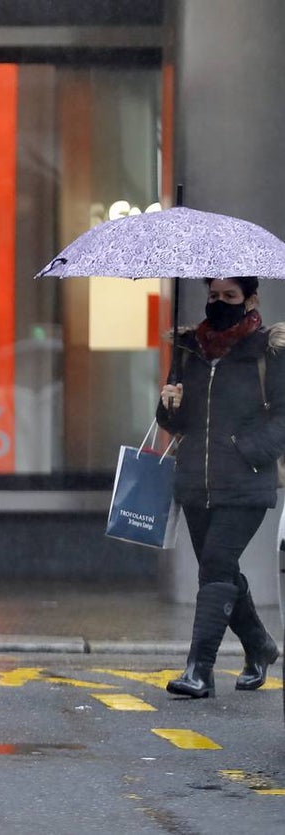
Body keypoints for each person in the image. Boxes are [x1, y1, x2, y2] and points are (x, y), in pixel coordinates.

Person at [156, 275, 284, 699]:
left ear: (251, 300)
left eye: (230, 296)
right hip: (196, 481)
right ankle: (260, 646)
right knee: (219, 570)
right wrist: (168, 403)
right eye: (214, 296)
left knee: (214, 564)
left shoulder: (270, 350)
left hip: (245, 481)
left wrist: (247, 449)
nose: (220, 303)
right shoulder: (190, 348)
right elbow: (176, 423)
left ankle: (199, 670)